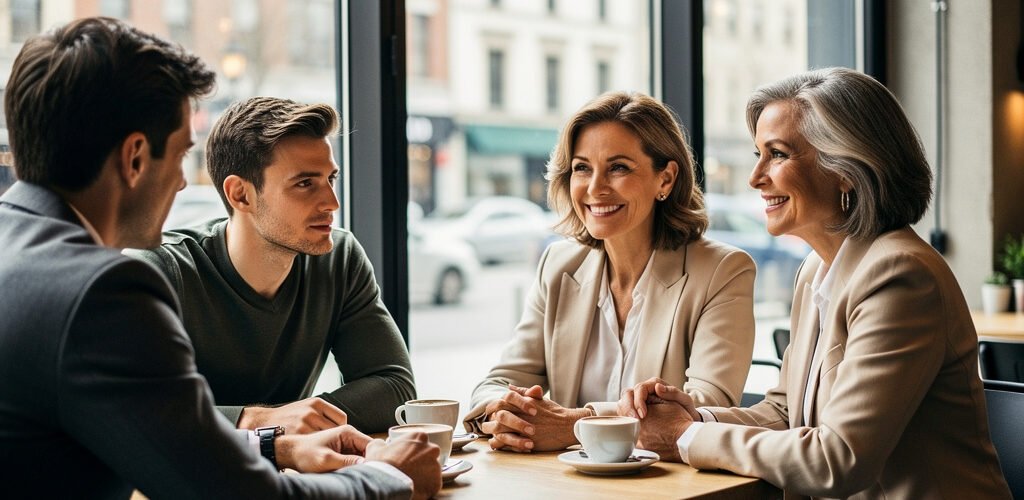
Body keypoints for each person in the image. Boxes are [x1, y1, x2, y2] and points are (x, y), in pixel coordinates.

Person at [0, 17, 440, 499]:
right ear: (135, 158)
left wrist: (274, 443)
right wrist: (388, 476)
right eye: (180, 157)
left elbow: (168, 443)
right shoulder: (102, 292)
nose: (182, 183)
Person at [619, 68, 1012, 499]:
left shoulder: (900, 275)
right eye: (758, 154)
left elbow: (838, 459)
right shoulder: (816, 270)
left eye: (778, 154)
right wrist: (693, 419)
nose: (755, 177)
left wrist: (684, 437)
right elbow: (786, 412)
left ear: (846, 169)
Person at [464, 92, 756, 452]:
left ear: (665, 180)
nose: (595, 188)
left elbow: (706, 408)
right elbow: (498, 383)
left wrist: (575, 424)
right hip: (564, 479)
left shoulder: (723, 271)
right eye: (582, 168)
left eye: (618, 168)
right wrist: (505, 412)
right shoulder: (558, 266)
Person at [125, 96, 414, 435]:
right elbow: (136, 409)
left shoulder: (339, 258)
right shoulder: (159, 272)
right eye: (304, 183)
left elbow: (395, 388)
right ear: (240, 195)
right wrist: (259, 422)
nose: (331, 203)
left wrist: (295, 421)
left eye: (330, 179)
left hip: (298, 465)